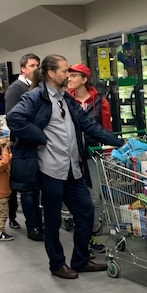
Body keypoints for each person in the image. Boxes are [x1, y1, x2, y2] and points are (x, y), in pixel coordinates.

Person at [7, 54, 124, 279]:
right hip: (50, 169)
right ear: (51, 73)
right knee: (52, 220)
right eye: (64, 71)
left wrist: (119, 142)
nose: (67, 75)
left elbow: (89, 125)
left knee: (86, 212)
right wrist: (38, 135)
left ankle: (80, 260)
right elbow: (15, 118)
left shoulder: (65, 99)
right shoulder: (35, 98)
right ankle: (57, 264)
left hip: (73, 167)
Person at [67, 62, 111, 245]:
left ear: (84, 79)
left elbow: (106, 128)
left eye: (74, 75)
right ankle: (83, 229)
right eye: (68, 75)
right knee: (77, 194)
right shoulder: (66, 100)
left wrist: (108, 152)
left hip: (93, 153)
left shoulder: (100, 101)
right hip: (72, 154)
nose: (69, 78)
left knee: (95, 195)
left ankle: (92, 231)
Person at [6, 53, 42, 238]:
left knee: (37, 188)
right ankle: (33, 227)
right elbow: (14, 120)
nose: (36, 68)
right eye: (32, 65)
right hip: (24, 146)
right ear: (23, 68)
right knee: (28, 189)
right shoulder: (16, 89)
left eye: (38, 65)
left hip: (38, 147)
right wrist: (35, 138)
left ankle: (39, 222)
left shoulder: (38, 88)